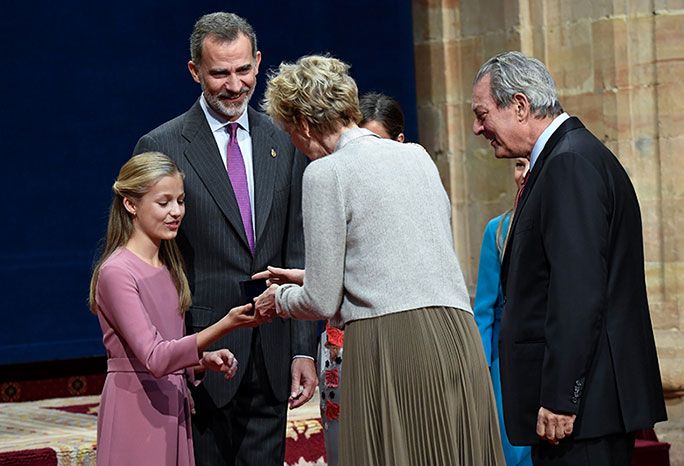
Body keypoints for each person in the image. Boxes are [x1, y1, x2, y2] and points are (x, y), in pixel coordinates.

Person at [254, 54, 504, 466]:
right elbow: (401, 256)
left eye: (289, 131)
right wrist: (308, 276)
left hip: (391, 343)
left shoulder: (325, 173)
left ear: (301, 123)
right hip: (457, 338)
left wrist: (278, 299)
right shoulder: (417, 157)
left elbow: (320, 301)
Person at [132, 12, 317, 466]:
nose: (234, 85)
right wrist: (176, 352)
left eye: (243, 70)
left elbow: (297, 245)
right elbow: (149, 262)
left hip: (273, 352)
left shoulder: (285, 137)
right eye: (219, 73)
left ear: (258, 62)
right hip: (202, 353)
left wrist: (301, 348)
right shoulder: (162, 146)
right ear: (195, 71)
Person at [471, 51, 667, 465]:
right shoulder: (566, 157)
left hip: (582, 412)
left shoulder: (569, 162)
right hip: (585, 408)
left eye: (482, 113)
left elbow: (577, 291)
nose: (477, 128)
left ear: (520, 106)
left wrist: (561, 397)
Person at [89, 152, 262, 466]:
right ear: (130, 204)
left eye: (180, 201)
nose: (176, 212)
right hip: (135, 409)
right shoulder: (117, 273)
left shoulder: (168, 265)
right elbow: (154, 357)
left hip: (171, 403)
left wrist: (200, 361)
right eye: (163, 202)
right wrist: (227, 324)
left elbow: (168, 347)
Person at [314, 91, 407, 466]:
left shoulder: (414, 191)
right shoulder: (332, 182)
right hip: (340, 344)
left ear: (399, 144)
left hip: (392, 341)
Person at [474, 157, 532, 466]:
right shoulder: (497, 232)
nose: (524, 174)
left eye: (531, 164)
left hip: (554, 361)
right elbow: (484, 310)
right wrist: (481, 372)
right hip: (506, 367)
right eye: (519, 165)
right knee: (513, 453)